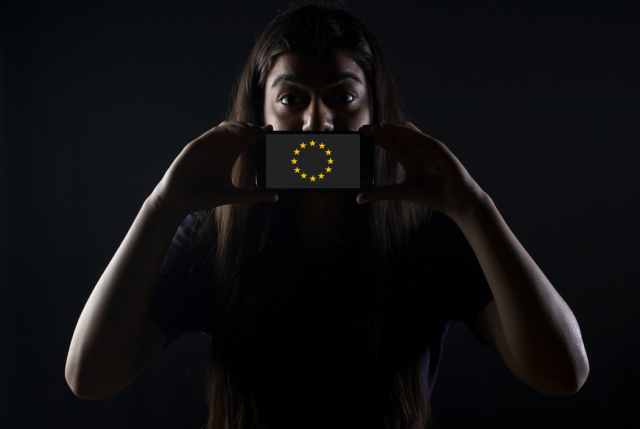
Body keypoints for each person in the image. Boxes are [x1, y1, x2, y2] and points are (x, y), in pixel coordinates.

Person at [65, 2, 590, 429]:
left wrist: (475, 208)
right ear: (259, 116)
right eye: (291, 98)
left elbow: (563, 373)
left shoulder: (425, 234)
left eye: (343, 96)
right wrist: (161, 208)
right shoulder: (215, 236)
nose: (318, 122)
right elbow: (89, 378)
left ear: (374, 112)